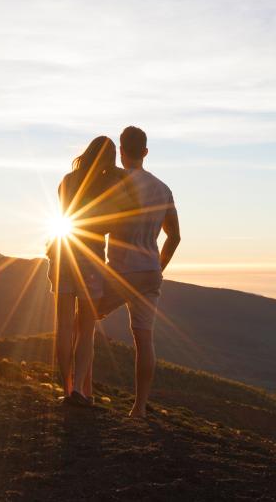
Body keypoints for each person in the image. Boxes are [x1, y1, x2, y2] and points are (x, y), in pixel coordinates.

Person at [96, 126, 180, 418]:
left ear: (121, 150)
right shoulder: (163, 188)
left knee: (83, 316)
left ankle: (78, 388)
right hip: (150, 272)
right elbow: (174, 237)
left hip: (121, 271)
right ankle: (139, 407)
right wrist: (158, 267)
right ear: (145, 152)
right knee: (144, 339)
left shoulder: (116, 183)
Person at [49, 135, 133, 407]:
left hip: (62, 251)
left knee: (62, 326)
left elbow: (65, 214)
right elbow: (116, 221)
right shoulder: (109, 186)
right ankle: (79, 394)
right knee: (86, 329)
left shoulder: (67, 181)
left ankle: (67, 387)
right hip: (90, 257)